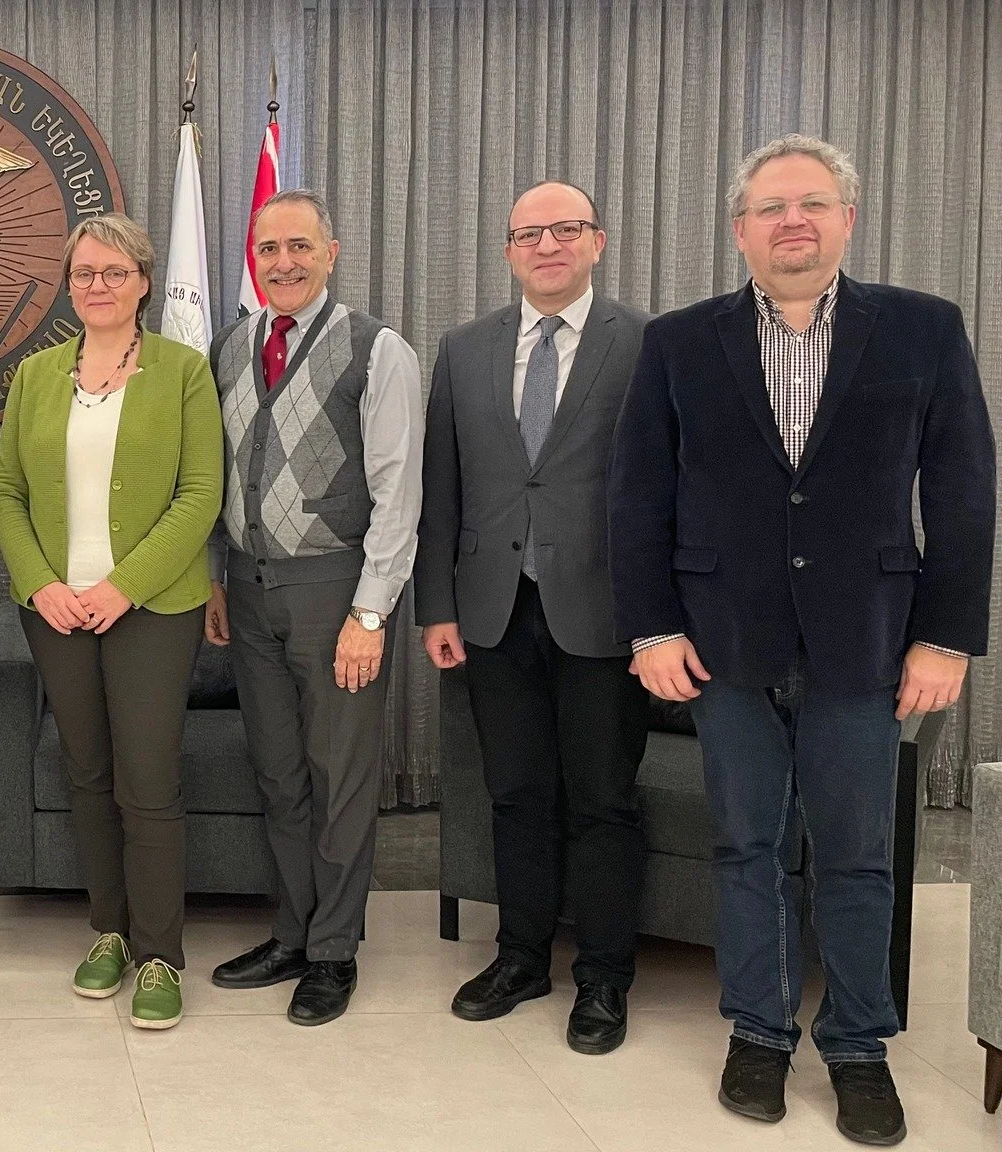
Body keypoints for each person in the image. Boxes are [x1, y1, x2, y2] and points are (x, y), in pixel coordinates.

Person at [610, 134, 994, 1145]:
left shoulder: (921, 330)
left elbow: (960, 492)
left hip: (869, 646)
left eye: (811, 204)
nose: (792, 221)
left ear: (845, 218)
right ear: (738, 228)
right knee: (746, 845)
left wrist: (945, 638)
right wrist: (648, 625)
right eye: (770, 207)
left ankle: (859, 1043)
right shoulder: (678, 342)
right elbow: (638, 494)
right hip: (720, 642)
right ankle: (760, 1030)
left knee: (857, 855)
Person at [416, 182, 653, 1055]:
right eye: (529, 233)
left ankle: (603, 977)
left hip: (604, 611)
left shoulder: (644, 344)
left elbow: (664, 489)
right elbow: (443, 488)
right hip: (490, 610)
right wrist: (434, 605)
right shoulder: (464, 348)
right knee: (514, 795)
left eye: (566, 230)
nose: (547, 245)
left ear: (598, 240)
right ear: (508, 249)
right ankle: (521, 957)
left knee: (601, 800)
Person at [0, 212, 223, 1030]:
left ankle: (161, 953)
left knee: (147, 781)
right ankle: (109, 933)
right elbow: (6, 491)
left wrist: (122, 586)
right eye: (84, 273)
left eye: (114, 273)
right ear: (68, 285)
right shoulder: (35, 375)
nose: (98, 286)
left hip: (152, 607)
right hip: (55, 610)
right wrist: (40, 583)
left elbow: (201, 495)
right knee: (85, 772)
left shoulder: (185, 371)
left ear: (145, 282)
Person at [202, 189, 424, 1028]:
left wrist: (370, 615)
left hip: (338, 589)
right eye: (268, 250)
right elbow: (221, 476)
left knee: (339, 774)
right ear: (252, 261)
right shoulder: (230, 349)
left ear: (332, 251)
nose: (284, 263)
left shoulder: (377, 350)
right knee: (280, 773)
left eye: (300, 247)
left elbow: (398, 493)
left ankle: (334, 951)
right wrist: (220, 578)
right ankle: (291, 933)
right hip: (251, 590)